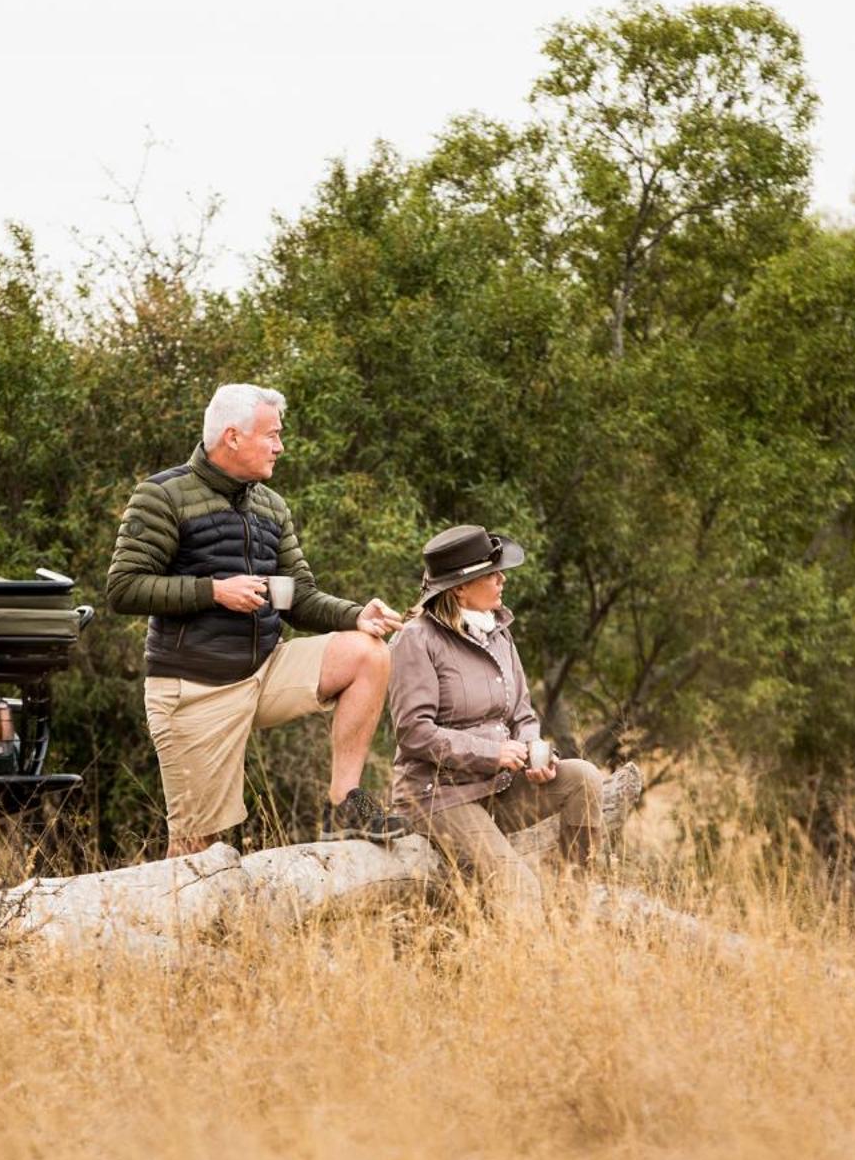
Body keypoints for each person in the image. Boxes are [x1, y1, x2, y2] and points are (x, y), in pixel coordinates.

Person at [107, 383, 409, 857]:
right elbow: (123, 589)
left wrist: (356, 615)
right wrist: (214, 591)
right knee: (195, 847)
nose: (280, 446)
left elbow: (299, 597)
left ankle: (345, 801)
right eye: (272, 435)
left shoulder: (271, 506)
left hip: (264, 672)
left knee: (367, 653)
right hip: (194, 688)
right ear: (232, 437)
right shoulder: (161, 495)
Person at [387, 524, 642, 920]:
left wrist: (536, 755)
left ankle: (573, 908)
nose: (502, 579)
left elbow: (522, 713)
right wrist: (493, 754)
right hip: (438, 796)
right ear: (460, 587)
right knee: (519, 886)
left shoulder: (498, 634)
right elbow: (414, 733)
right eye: (492, 573)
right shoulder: (415, 641)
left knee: (583, 777)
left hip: (500, 786)